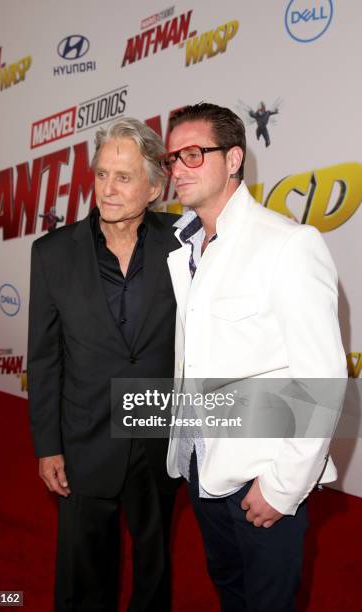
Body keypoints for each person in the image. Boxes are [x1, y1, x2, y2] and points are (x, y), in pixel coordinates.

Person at [161, 103, 347, 611]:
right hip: (202, 468)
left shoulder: (288, 245)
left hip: (262, 479)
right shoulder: (186, 249)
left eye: (194, 154)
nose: (178, 168)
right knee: (230, 592)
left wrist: (283, 487)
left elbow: (323, 378)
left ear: (235, 158)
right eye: (172, 158)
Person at [28, 117, 180, 612]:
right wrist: (47, 445)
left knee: (154, 563)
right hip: (85, 435)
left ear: (155, 185)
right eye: (100, 175)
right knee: (82, 570)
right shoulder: (52, 253)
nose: (107, 189)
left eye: (124, 177)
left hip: (159, 433)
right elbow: (45, 356)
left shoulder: (186, 243)